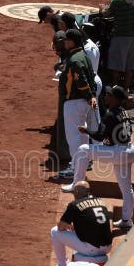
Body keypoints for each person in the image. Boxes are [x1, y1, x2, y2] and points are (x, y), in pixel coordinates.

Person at [63, 86, 134, 229]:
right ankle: (127, 220)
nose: (105, 96)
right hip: (128, 150)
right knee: (127, 188)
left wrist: (86, 130)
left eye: (108, 94)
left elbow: (99, 136)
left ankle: (76, 184)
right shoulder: (124, 112)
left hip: (118, 152)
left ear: (115, 98)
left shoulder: (110, 115)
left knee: (83, 150)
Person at [57, 28, 98, 180]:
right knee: (82, 136)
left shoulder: (75, 59)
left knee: (73, 137)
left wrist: (88, 95)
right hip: (82, 103)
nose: (64, 43)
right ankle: (83, 163)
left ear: (72, 41)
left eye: (66, 40)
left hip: (74, 102)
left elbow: (81, 81)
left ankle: (75, 167)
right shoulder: (83, 56)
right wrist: (91, 96)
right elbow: (91, 78)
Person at [51, 181, 113, 266]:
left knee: (54, 231)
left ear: (76, 192)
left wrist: (69, 226)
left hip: (92, 249)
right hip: (108, 247)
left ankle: (62, 264)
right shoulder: (100, 202)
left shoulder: (74, 205)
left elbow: (61, 227)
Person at [100, 0, 134, 90]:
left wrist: (101, 9)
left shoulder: (116, 0)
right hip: (133, 38)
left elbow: (106, 14)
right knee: (129, 66)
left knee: (117, 66)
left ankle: (115, 90)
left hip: (119, 37)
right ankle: (126, 90)